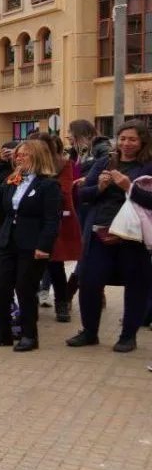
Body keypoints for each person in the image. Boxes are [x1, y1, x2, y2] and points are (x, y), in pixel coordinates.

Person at [69, 120, 152, 352]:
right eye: (123, 138)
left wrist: (129, 187)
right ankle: (89, 332)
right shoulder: (105, 161)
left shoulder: (148, 166)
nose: (126, 143)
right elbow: (83, 195)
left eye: (132, 139)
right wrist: (100, 188)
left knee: (135, 286)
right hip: (100, 233)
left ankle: (128, 336)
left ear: (143, 141)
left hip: (132, 237)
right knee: (89, 282)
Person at [0, 139, 62, 352]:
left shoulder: (48, 185)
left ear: (37, 157)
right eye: (18, 155)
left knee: (25, 288)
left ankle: (29, 335)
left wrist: (44, 246)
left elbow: (52, 220)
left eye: (24, 154)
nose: (19, 158)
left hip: (32, 243)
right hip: (8, 240)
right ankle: (3, 332)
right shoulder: (13, 180)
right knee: (0, 287)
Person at [27, 132, 83, 322]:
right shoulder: (27, 165)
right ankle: (30, 302)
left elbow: (64, 191)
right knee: (29, 265)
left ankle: (62, 303)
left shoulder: (63, 164)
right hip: (30, 221)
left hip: (55, 220)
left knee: (55, 264)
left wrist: (38, 194)